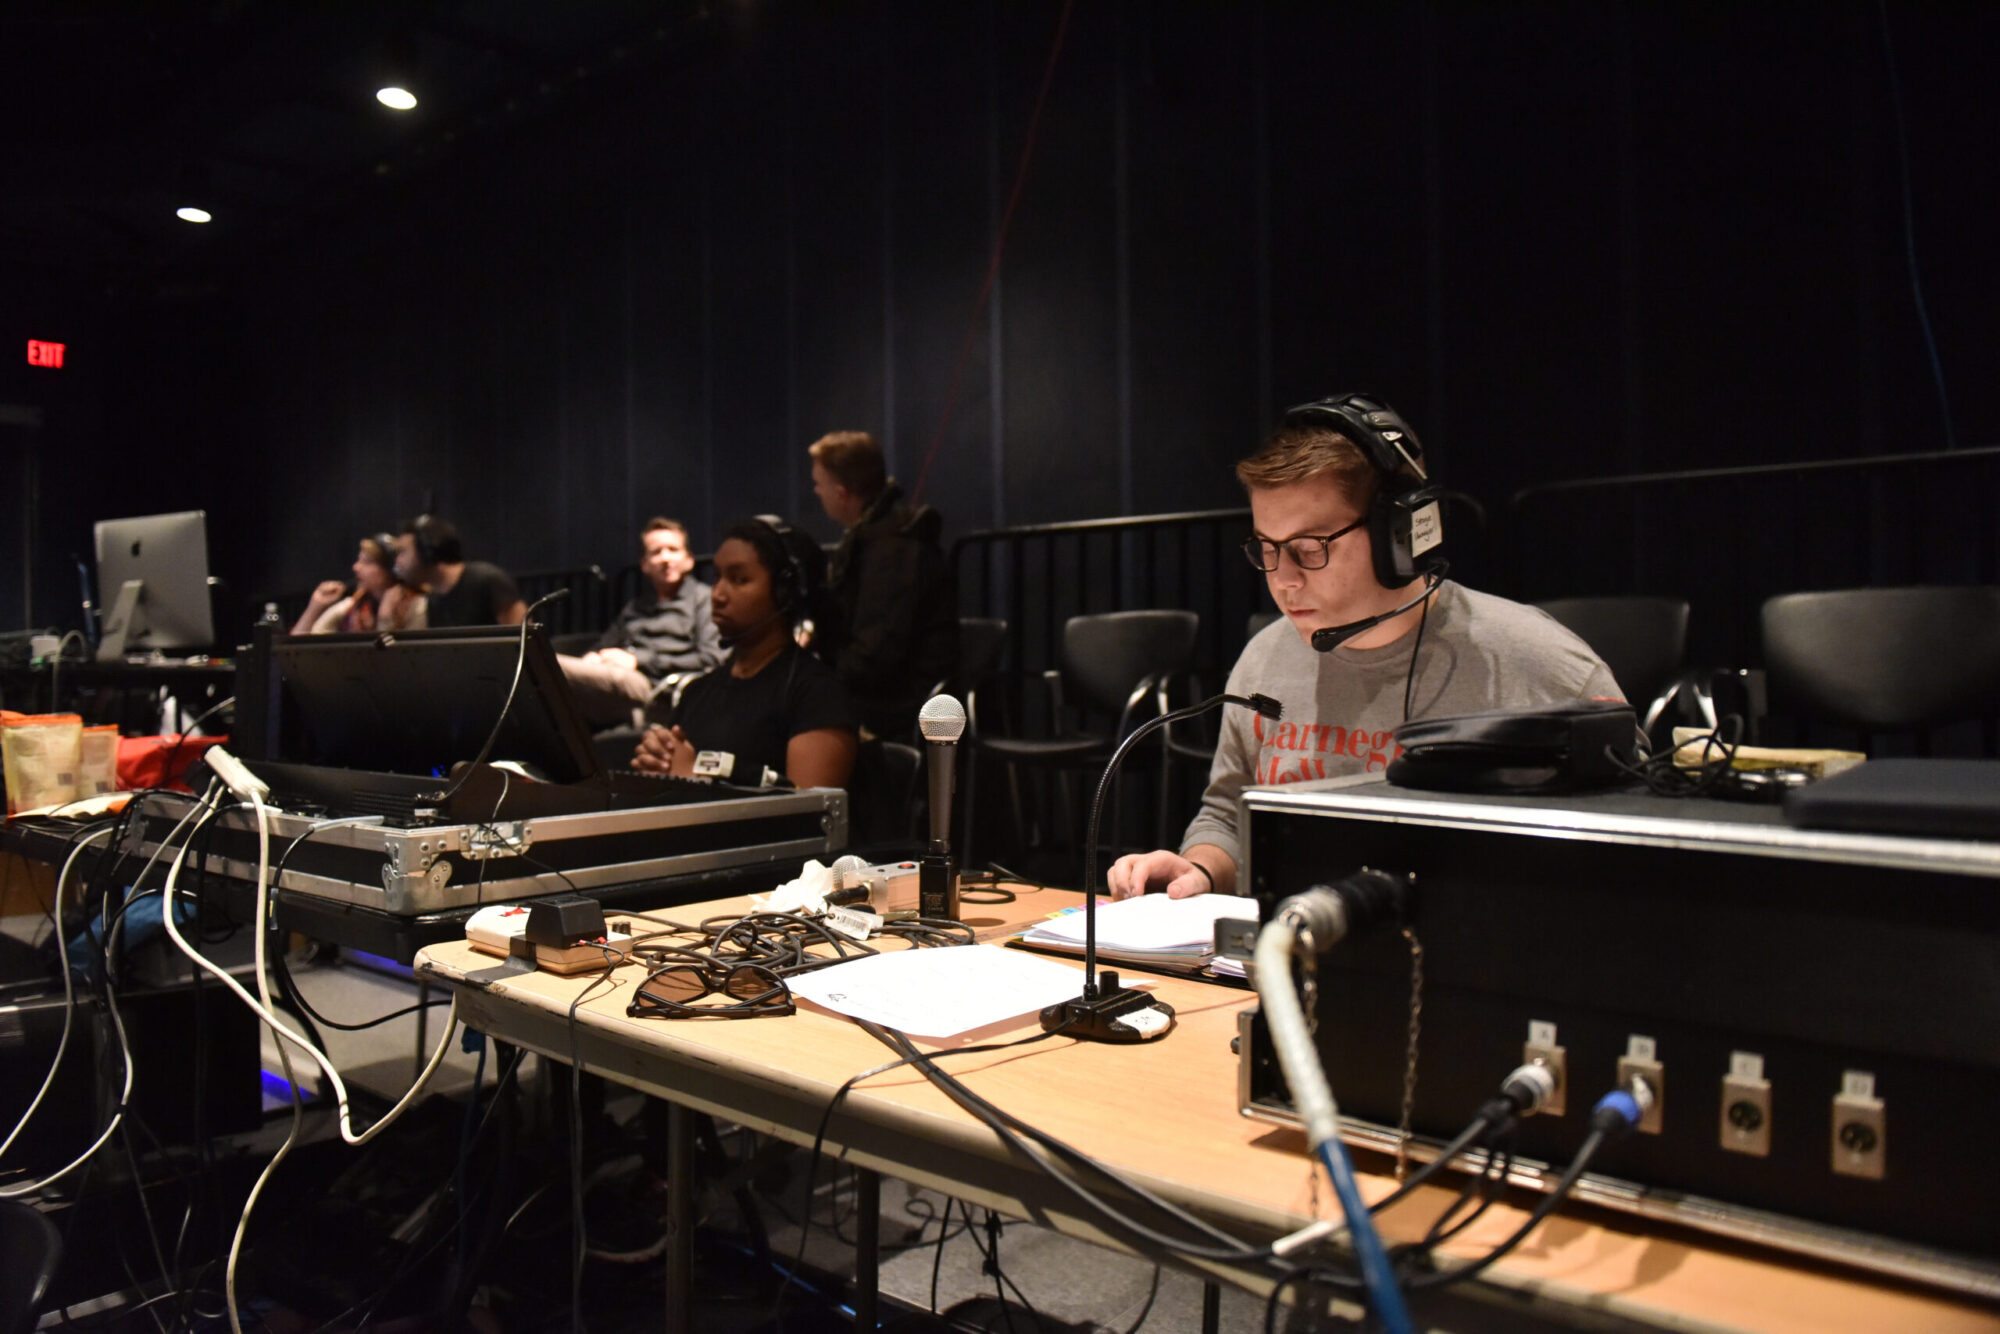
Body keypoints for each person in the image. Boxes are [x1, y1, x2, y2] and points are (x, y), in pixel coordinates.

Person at [1107, 394, 1622, 901]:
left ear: (1399, 534)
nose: (1282, 580)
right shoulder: (1263, 660)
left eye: (1308, 550)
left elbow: (1625, 855)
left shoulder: (1540, 665)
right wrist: (1200, 867)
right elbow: (1229, 814)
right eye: (1266, 549)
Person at [630, 516, 857, 791]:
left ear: (784, 593)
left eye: (739, 579)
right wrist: (658, 762)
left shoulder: (817, 693)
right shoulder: (697, 693)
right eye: (717, 577)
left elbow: (814, 817)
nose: (718, 594)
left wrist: (693, 780)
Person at [808, 430, 958, 738]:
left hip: (899, 700)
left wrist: (821, 676)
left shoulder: (892, 551)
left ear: (841, 492)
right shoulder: (880, 541)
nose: (816, 492)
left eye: (818, 484)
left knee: (800, 706)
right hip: (887, 688)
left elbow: (875, 656)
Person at [558, 518, 724, 728]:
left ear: (689, 560)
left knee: (547, 666)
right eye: (656, 552)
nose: (665, 558)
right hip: (615, 679)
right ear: (645, 564)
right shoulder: (636, 607)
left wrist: (640, 660)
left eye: (673, 550)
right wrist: (592, 657)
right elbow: (604, 644)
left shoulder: (703, 601)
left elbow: (710, 658)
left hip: (657, 685)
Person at [392, 515, 527, 628]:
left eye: (402, 552)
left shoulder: (487, 580)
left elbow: (523, 639)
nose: (397, 561)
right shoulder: (433, 597)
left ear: (427, 551)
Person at [292, 533, 427, 634]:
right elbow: (295, 650)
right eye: (358, 560)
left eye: (367, 562)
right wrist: (315, 606)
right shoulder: (355, 605)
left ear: (390, 570)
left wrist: (385, 617)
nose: (356, 567)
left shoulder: (416, 606)